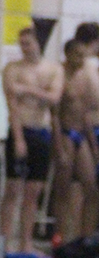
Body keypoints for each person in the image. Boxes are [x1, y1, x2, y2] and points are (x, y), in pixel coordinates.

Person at [0, 27, 64, 256]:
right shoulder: (12, 69)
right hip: (20, 131)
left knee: (33, 192)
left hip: (41, 134)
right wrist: (17, 138)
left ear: (38, 43)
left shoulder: (54, 69)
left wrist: (26, 89)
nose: (24, 48)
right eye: (21, 44)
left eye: (28, 43)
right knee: (13, 189)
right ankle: (4, 242)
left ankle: (26, 243)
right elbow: (12, 105)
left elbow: (55, 98)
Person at [50, 39, 99, 242]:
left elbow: (87, 114)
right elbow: (54, 115)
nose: (81, 60)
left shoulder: (84, 77)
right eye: (78, 55)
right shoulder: (60, 76)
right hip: (65, 134)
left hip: (82, 134)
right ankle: (59, 238)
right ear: (68, 54)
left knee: (91, 187)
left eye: (83, 55)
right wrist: (59, 148)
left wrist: (94, 146)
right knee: (63, 190)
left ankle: (84, 238)